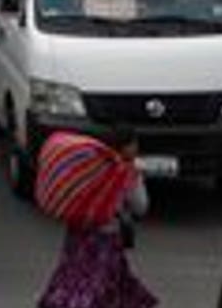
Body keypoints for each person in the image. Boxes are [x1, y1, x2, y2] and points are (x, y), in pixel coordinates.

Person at [38, 127, 157, 308]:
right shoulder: (125, 172)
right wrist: (138, 177)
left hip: (77, 234)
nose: (137, 148)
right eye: (135, 144)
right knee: (98, 284)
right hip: (106, 238)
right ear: (127, 147)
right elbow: (141, 207)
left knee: (72, 275)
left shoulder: (88, 165)